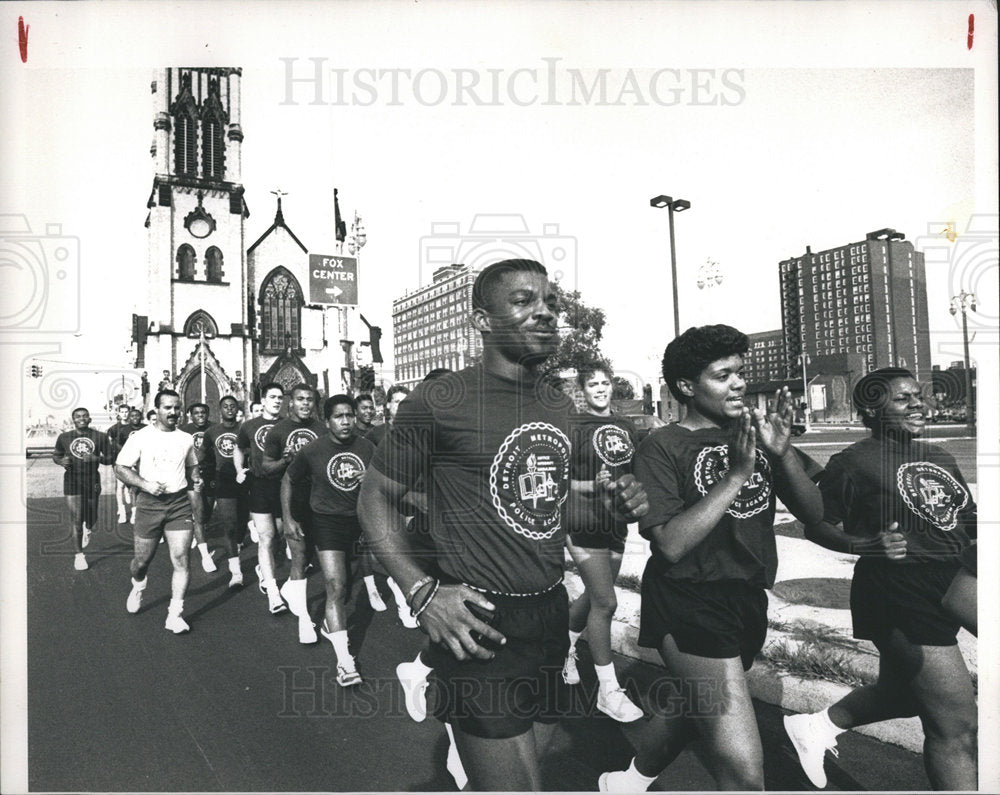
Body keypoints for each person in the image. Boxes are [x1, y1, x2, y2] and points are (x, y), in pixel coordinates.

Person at [359, 259, 649, 791]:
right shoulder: (439, 401)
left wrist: (610, 506)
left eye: (551, 303)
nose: (544, 312)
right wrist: (420, 591)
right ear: (481, 320)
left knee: (518, 778)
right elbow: (374, 498)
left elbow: (546, 511)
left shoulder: (558, 403)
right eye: (522, 301)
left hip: (547, 618)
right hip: (478, 623)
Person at [599, 325, 822, 793]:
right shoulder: (663, 447)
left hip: (746, 597)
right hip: (690, 599)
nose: (739, 384)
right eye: (723, 376)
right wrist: (737, 475)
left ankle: (632, 778)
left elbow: (815, 514)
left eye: (740, 373)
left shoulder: (755, 434)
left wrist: (781, 457)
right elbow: (672, 544)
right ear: (686, 387)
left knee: (697, 702)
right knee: (743, 770)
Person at [784, 368, 977, 791]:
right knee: (957, 726)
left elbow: (966, 522)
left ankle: (816, 726)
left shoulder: (940, 456)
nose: (917, 404)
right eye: (902, 399)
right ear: (872, 408)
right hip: (898, 591)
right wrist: (867, 544)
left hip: (954, 585)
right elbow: (817, 523)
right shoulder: (853, 463)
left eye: (918, 396)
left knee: (907, 693)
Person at [562, 365, 643, 722]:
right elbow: (558, 480)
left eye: (604, 383)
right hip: (580, 520)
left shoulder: (627, 427)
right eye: (592, 384)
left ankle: (562, 647)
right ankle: (608, 691)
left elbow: (635, 473)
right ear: (583, 390)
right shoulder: (574, 426)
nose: (600, 389)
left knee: (594, 596)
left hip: (615, 522)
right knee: (606, 602)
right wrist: (592, 486)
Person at [282, 395, 376, 685]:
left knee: (348, 584)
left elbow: (382, 482)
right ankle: (345, 663)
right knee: (335, 585)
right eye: (338, 416)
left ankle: (328, 623)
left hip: (358, 522)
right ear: (327, 421)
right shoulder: (313, 450)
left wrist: (369, 479)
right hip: (326, 522)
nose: (346, 421)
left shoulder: (367, 447)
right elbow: (288, 479)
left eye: (349, 415)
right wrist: (288, 518)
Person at [114, 389, 201, 633]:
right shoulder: (141, 437)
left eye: (176, 407)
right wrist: (145, 484)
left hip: (178, 504)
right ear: (157, 410)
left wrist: (196, 477)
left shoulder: (185, 438)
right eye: (167, 408)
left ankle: (175, 614)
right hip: (149, 504)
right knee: (141, 562)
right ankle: (139, 584)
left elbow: (192, 465)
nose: (173, 412)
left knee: (181, 558)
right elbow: (120, 467)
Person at [262, 383, 327, 642]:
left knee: (319, 558)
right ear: (291, 402)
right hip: (293, 500)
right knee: (299, 558)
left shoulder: (322, 429)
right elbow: (267, 467)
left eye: (309, 400)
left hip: (322, 501)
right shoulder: (278, 431)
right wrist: (284, 461)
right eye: (300, 399)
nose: (305, 404)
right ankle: (304, 621)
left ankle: (291, 589)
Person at [359, 383, 414, 623]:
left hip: (408, 498)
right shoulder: (375, 435)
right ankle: (396, 596)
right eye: (397, 402)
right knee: (378, 547)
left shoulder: (416, 433)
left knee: (409, 549)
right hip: (381, 499)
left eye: (406, 402)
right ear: (388, 405)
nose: (401, 407)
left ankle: (400, 585)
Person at [234, 382, 288, 614]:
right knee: (266, 536)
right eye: (272, 397)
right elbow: (239, 448)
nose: (277, 401)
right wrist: (239, 469)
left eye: (280, 397)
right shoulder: (250, 426)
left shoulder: (289, 425)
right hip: (260, 484)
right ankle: (273, 591)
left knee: (279, 535)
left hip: (285, 486)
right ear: (263, 401)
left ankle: (262, 570)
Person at [53, 407, 112, 570]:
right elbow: (56, 455)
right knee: (76, 518)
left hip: (92, 479)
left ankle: (88, 527)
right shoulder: (64, 437)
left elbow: (110, 458)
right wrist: (60, 461)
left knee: (92, 516)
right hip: (72, 479)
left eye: (85, 416)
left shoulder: (100, 436)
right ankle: (79, 556)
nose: (81, 418)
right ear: (73, 419)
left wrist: (96, 458)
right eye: (78, 416)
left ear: (90, 419)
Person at [202, 395, 247, 587]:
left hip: (244, 479)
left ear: (237, 409)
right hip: (224, 480)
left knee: (241, 525)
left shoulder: (245, 429)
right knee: (229, 524)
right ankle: (235, 572)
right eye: (225, 406)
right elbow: (205, 458)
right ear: (220, 410)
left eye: (232, 406)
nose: (229, 409)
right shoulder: (212, 432)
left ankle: (237, 545)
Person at [180, 403, 217, 572]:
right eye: (196, 413)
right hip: (191, 475)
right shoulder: (183, 430)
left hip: (210, 473)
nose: (200, 415)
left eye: (203, 412)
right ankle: (205, 555)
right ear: (190, 415)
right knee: (199, 512)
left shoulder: (214, 428)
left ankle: (197, 528)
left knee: (207, 511)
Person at [106, 404, 134, 524]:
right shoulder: (113, 429)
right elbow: (110, 445)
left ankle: (134, 511)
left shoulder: (135, 427)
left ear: (129, 412)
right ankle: (121, 511)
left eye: (126, 411)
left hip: (134, 460)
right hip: (119, 460)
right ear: (118, 413)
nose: (124, 414)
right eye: (122, 412)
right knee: (120, 486)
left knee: (133, 486)